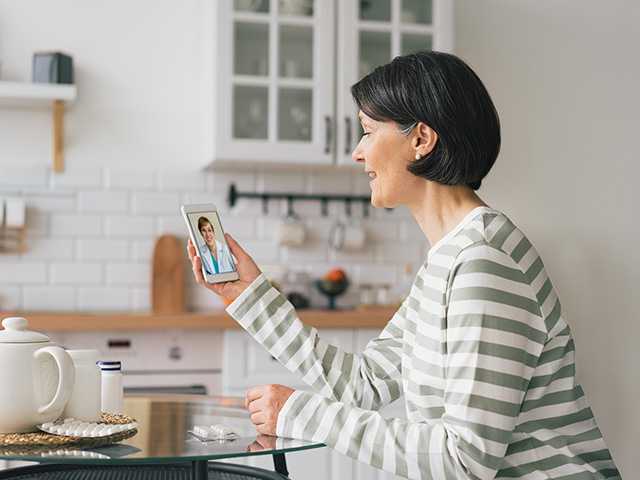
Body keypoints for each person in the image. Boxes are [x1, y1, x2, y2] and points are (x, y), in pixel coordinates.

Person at [188, 51, 620, 479]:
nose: (358, 153)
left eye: (369, 132)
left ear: (421, 140)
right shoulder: (450, 257)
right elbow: (365, 383)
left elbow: (464, 461)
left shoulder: (484, 261)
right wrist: (248, 295)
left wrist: (298, 413)